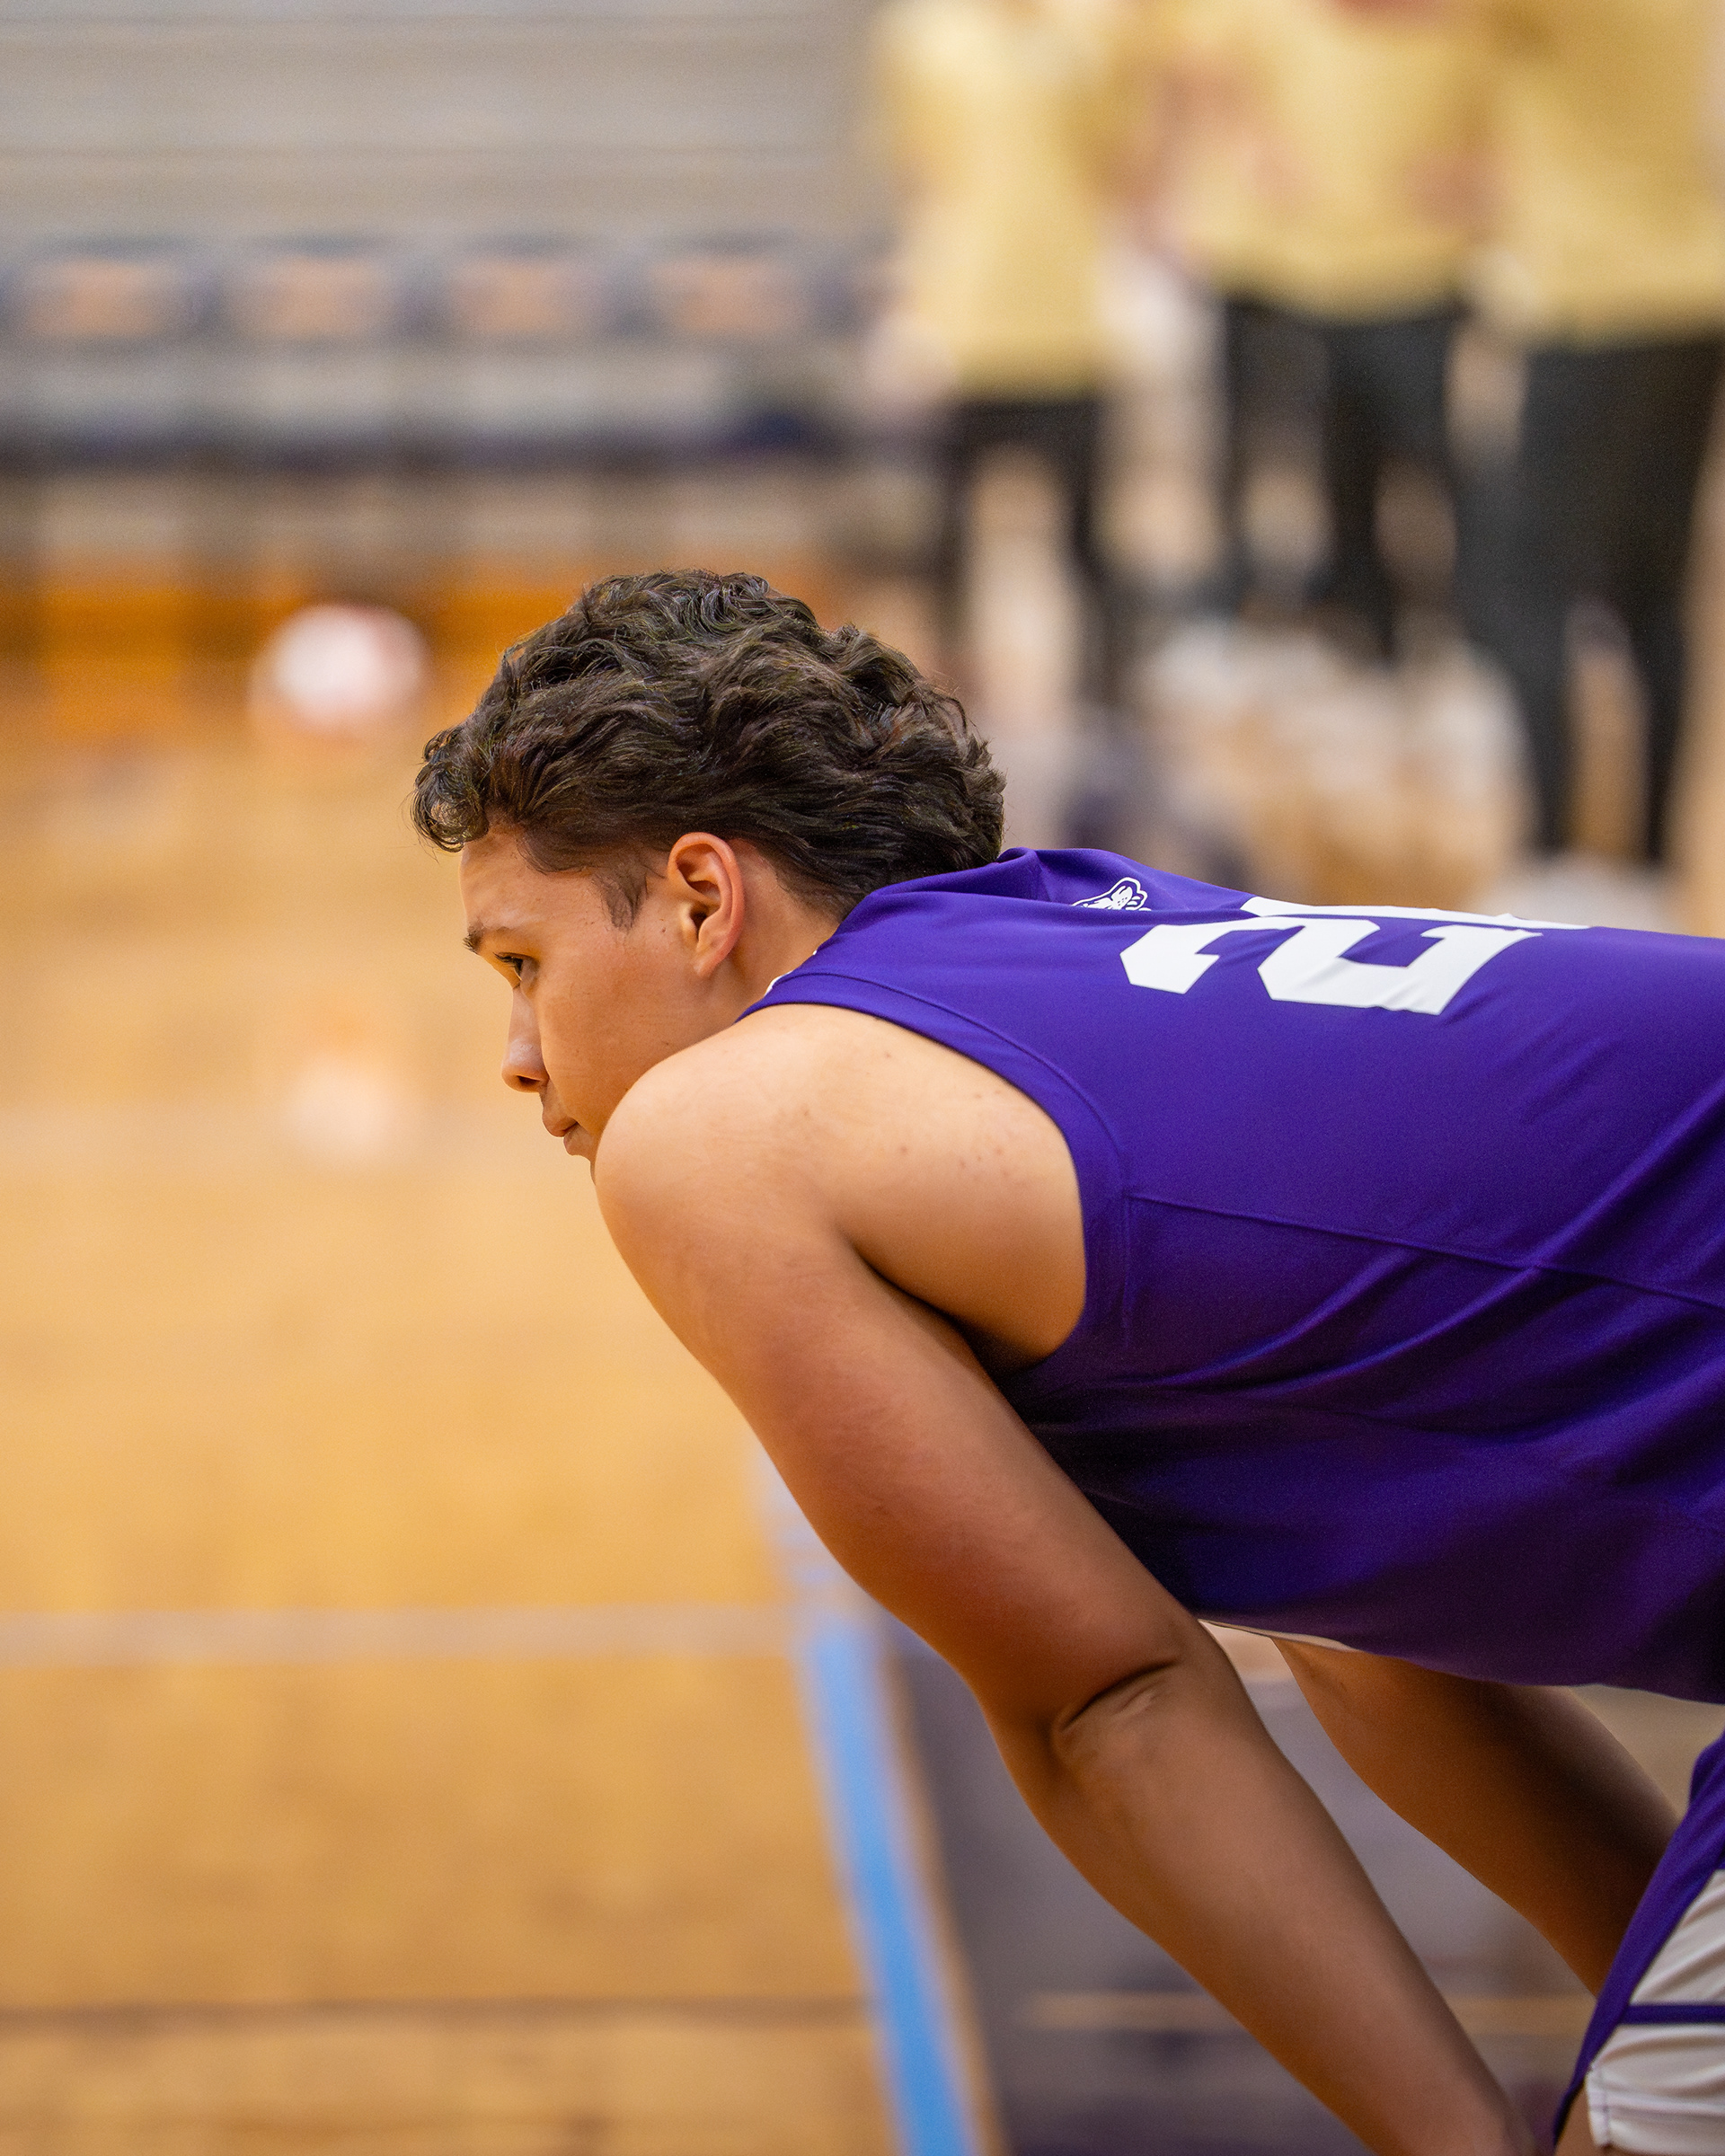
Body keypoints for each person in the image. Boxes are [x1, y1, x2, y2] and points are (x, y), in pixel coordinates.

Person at [417, 569, 1725, 2154]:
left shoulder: (720, 1130)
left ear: (703, 898)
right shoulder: (1092, 934)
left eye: (522, 965)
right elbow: (1375, 1647)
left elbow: (1104, 1705)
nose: (516, 1059)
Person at [1464, 0, 1725, 865]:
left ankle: (1550, 853)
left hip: (1590, 306)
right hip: (1692, 293)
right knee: (1654, 591)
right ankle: (1648, 857)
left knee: (1526, 588)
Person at [1153, 0, 1486, 650]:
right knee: (1320, 452)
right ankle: (1336, 602)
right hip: (1299, 264)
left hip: (1412, 261)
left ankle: (1461, 608)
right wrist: (1243, 149)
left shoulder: (1458, 27)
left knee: (1427, 455)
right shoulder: (1265, 24)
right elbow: (1195, 74)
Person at [869, 0, 1135, 699]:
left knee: (1088, 539)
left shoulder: (1092, 37)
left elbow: (1116, 158)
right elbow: (915, 168)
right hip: (966, 323)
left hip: (1067, 323)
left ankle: (1105, 690)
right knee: (948, 535)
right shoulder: (924, 37)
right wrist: (915, 301)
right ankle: (946, 686)